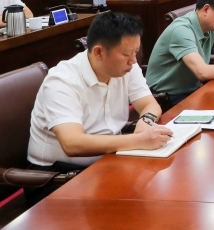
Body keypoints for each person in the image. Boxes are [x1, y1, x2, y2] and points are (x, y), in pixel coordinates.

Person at [27, 12, 172, 203]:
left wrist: (146, 120)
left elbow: (149, 104)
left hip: (107, 161)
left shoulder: (126, 66)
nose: (134, 60)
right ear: (98, 52)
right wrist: (138, 140)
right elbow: (72, 143)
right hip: (57, 178)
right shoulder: (62, 81)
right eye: (127, 54)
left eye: (136, 51)